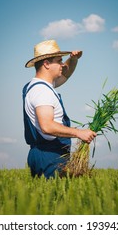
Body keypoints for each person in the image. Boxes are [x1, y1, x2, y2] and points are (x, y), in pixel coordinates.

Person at [23, 40, 96, 178]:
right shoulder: (42, 91)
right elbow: (47, 126)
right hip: (49, 156)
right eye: (59, 61)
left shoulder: (36, 86)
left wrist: (73, 59)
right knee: (53, 198)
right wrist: (79, 133)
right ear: (46, 64)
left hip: (43, 154)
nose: (63, 64)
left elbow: (65, 75)